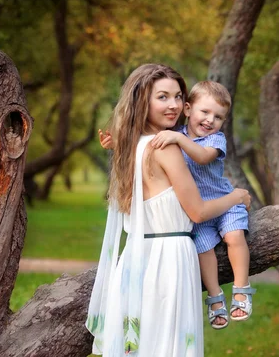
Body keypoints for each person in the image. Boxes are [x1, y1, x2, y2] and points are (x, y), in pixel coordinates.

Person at [86, 64, 250, 357]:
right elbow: (198, 213)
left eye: (177, 96)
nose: (173, 105)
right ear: (142, 101)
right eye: (162, 97)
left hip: (135, 261)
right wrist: (236, 196)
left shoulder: (131, 146)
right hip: (168, 263)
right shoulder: (166, 147)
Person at [150, 81, 255, 330]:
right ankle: (215, 297)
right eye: (205, 112)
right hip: (198, 211)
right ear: (187, 109)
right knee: (203, 249)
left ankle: (241, 288)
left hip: (225, 204)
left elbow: (201, 156)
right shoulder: (175, 134)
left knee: (234, 236)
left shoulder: (216, 140)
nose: (210, 120)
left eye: (218, 117)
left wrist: (177, 137)